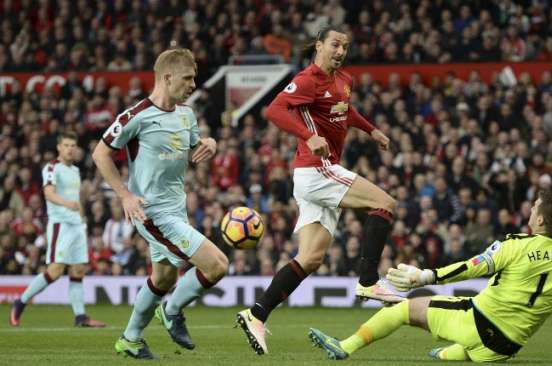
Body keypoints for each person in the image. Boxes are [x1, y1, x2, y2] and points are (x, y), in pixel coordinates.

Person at [236, 25, 401, 355]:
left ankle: (256, 314)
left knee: (310, 258)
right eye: (336, 44)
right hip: (315, 169)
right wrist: (308, 136)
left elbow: (345, 110)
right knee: (385, 203)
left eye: (346, 46)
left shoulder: (344, 81)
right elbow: (275, 109)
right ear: (319, 45)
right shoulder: (308, 79)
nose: (341, 51)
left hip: (316, 176)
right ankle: (368, 281)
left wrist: (372, 130)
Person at [309, 190, 552, 363]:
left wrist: (426, 276)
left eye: (535, 207)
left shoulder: (515, 245)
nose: (531, 209)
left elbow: (471, 267)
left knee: (403, 309)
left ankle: (344, 347)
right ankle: (446, 354)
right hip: (506, 347)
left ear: (540, 220)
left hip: (478, 323)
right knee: (459, 347)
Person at [92, 48, 227, 359]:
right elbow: (100, 154)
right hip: (150, 211)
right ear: (167, 77)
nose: (193, 84)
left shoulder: (186, 114)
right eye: (188, 78)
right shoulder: (135, 116)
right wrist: (124, 194)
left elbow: (196, 148)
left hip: (176, 209)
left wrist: (211, 144)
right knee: (217, 265)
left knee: (163, 277)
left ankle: (130, 338)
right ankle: (172, 310)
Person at [10, 132, 106, 328]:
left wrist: (81, 217)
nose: (71, 148)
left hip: (77, 225)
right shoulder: (52, 167)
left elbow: (76, 198)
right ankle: (20, 302)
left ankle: (80, 317)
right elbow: (49, 194)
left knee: (78, 269)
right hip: (60, 225)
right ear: (59, 148)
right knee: (55, 271)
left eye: (73, 145)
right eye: (67, 145)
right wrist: (68, 204)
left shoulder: (76, 171)